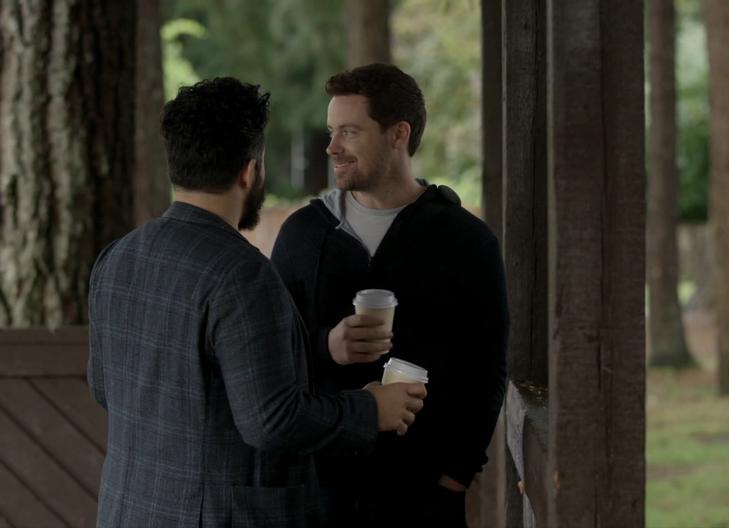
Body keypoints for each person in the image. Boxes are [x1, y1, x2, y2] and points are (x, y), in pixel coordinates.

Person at [87, 77, 426, 528]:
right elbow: (272, 421)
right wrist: (371, 410)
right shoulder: (242, 274)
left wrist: (322, 347)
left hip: (127, 510)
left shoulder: (117, 257)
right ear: (250, 171)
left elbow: (104, 387)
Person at [271, 63, 509, 527]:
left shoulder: (467, 240)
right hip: (317, 494)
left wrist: (454, 481)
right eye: (331, 131)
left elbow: (487, 368)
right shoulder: (302, 234)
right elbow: (269, 356)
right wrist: (327, 346)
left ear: (398, 134)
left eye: (350, 132)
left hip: (423, 497)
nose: (332, 147)